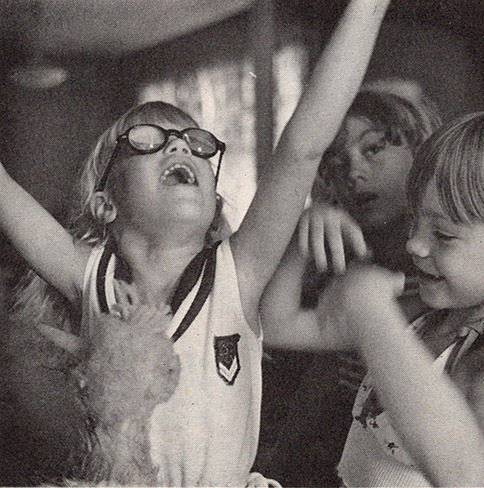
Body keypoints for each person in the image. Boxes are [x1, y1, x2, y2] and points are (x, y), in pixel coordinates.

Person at [0, 0, 391, 485]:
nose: (181, 145)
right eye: (148, 139)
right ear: (105, 204)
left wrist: (367, 10)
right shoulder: (90, 279)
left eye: (196, 141)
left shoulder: (237, 272)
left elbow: (302, 148)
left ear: (213, 203)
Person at [264, 109, 484, 486]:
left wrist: (372, 314)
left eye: (443, 235)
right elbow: (277, 325)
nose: (415, 244)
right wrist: (302, 240)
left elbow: (471, 477)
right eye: (414, 223)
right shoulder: (422, 313)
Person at [258, 80, 441, 485]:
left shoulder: (446, 283)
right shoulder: (338, 259)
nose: (354, 171)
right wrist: (305, 232)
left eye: (373, 148)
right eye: (337, 163)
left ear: (424, 151)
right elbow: (274, 328)